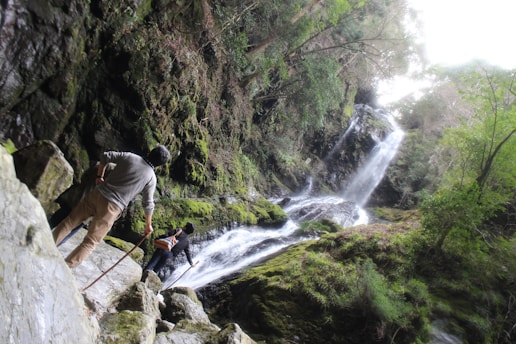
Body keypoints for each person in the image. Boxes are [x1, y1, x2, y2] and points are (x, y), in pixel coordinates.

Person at [53, 145, 171, 268]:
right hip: (112, 208)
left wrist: (100, 176)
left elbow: (105, 156)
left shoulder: (130, 157)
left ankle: (47, 245)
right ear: (160, 164)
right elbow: (147, 203)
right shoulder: (151, 178)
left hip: (97, 194)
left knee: (69, 222)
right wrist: (148, 225)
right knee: (90, 242)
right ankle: (66, 266)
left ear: (150, 152)